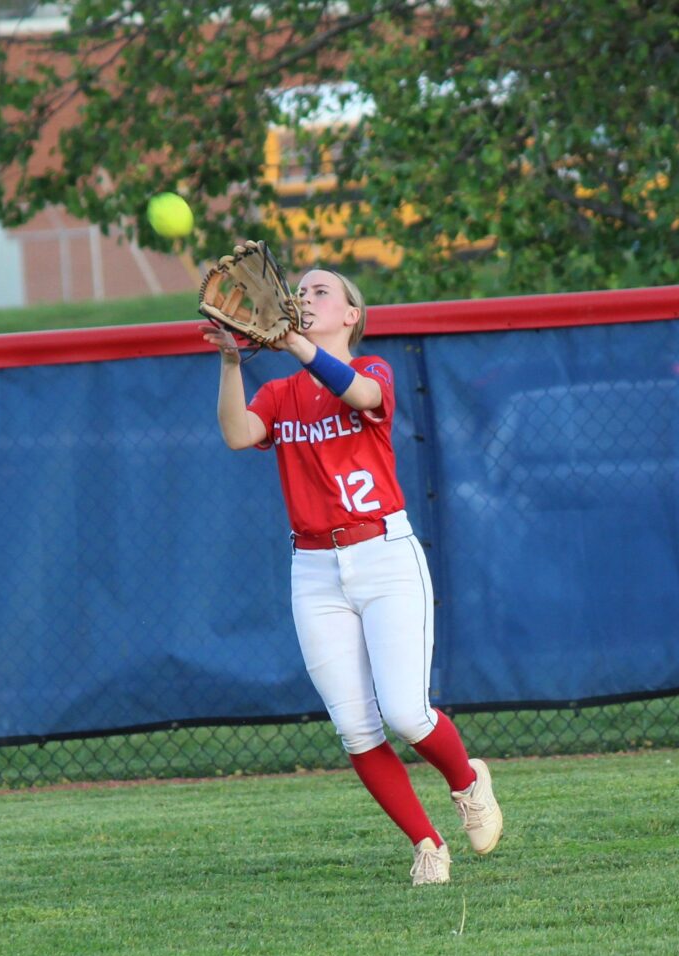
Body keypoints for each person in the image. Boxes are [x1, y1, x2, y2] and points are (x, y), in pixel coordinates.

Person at [201, 267, 502, 886]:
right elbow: (236, 434)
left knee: (407, 714)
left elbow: (359, 396)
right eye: (300, 291)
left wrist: (296, 345)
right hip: (314, 570)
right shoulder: (279, 393)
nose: (304, 298)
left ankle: (467, 782)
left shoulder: (373, 371)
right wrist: (231, 362)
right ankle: (427, 844)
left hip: (384, 555)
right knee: (356, 729)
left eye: (321, 292)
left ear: (350, 315)